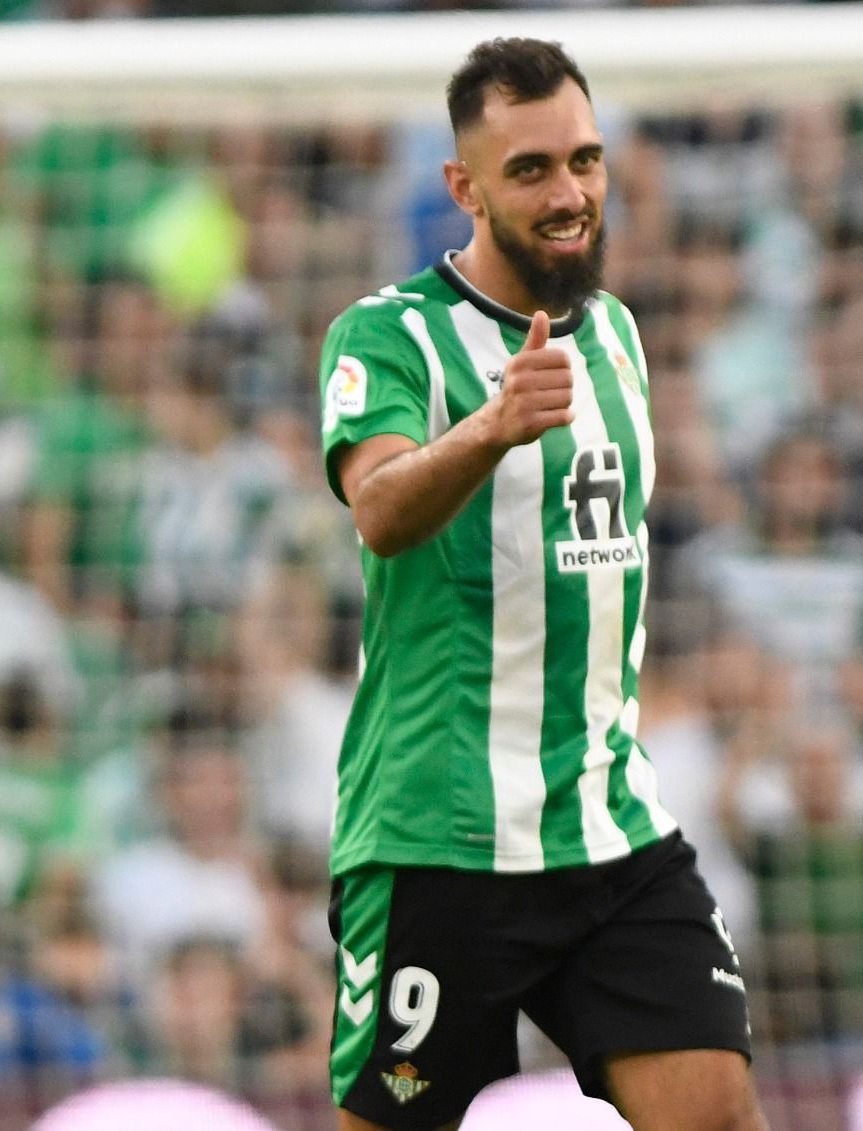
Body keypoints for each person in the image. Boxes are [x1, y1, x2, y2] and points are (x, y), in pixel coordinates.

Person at [315, 39, 760, 1131]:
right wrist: (492, 427)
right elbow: (378, 511)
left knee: (719, 1115)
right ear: (463, 187)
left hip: (608, 828)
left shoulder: (616, 335)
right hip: (440, 838)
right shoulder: (390, 335)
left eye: (585, 161)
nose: (569, 195)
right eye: (531, 171)